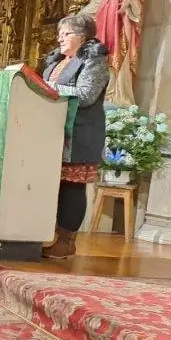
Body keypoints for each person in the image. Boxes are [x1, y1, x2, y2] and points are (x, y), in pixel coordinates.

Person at [41, 14, 109, 259]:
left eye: (66, 33)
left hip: (80, 133)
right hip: (53, 132)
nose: (59, 37)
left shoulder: (94, 60)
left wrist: (49, 88)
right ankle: (49, 234)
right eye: (60, 32)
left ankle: (67, 241)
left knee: (71, 187)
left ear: (83, 36)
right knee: (55, 186)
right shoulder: (57, 60)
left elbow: (87, 94)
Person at [79, 0, 147, 107]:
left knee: (116, 62)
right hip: (103, 27)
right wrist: (79, 18)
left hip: (117, 26)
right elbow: (97, 4)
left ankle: (116, 95)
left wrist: (129, 1)